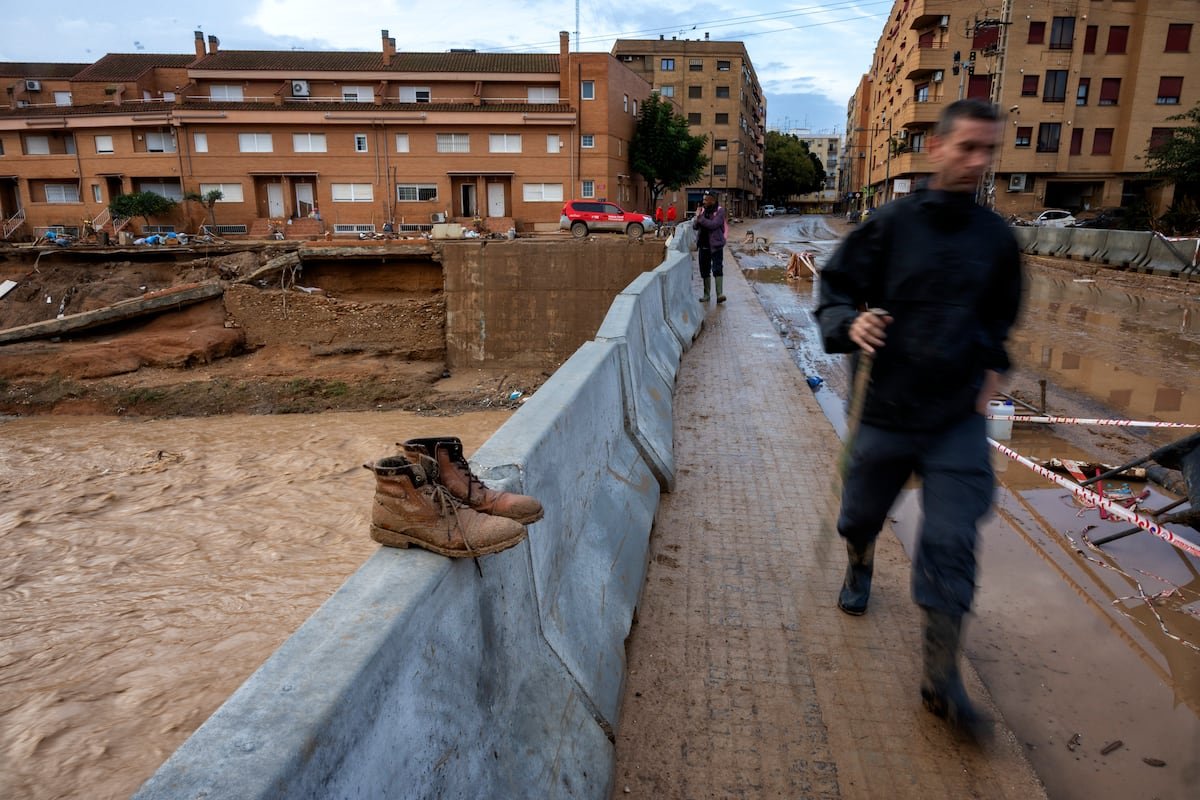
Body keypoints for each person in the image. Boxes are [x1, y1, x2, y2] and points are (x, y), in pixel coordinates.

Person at [814, 98, 1022, 741]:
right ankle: (860, 561)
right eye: (967, 148)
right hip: (884, 409)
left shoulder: (997, 239)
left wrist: (992, 370)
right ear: (937, 148)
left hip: (956, 419)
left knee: (952, 538)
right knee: (858, 515)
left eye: (988, 150)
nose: (978, 162)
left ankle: (941, 679)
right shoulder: (889, 225)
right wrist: (853, 322)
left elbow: (1000, 318)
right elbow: (835, 290)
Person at [692, 190, 728, 303]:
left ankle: (719, 294)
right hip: (703, 245)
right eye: (703, 199)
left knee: (717, 268)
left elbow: (713, 225)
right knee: (704, 270)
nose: (704, 202)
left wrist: (701, 219)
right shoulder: (702, 211)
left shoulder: (720, 211)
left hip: (715, 245)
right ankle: (706, 295)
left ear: (713, 200)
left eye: (706, 199)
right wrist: (697, 218)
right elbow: (695, 227)